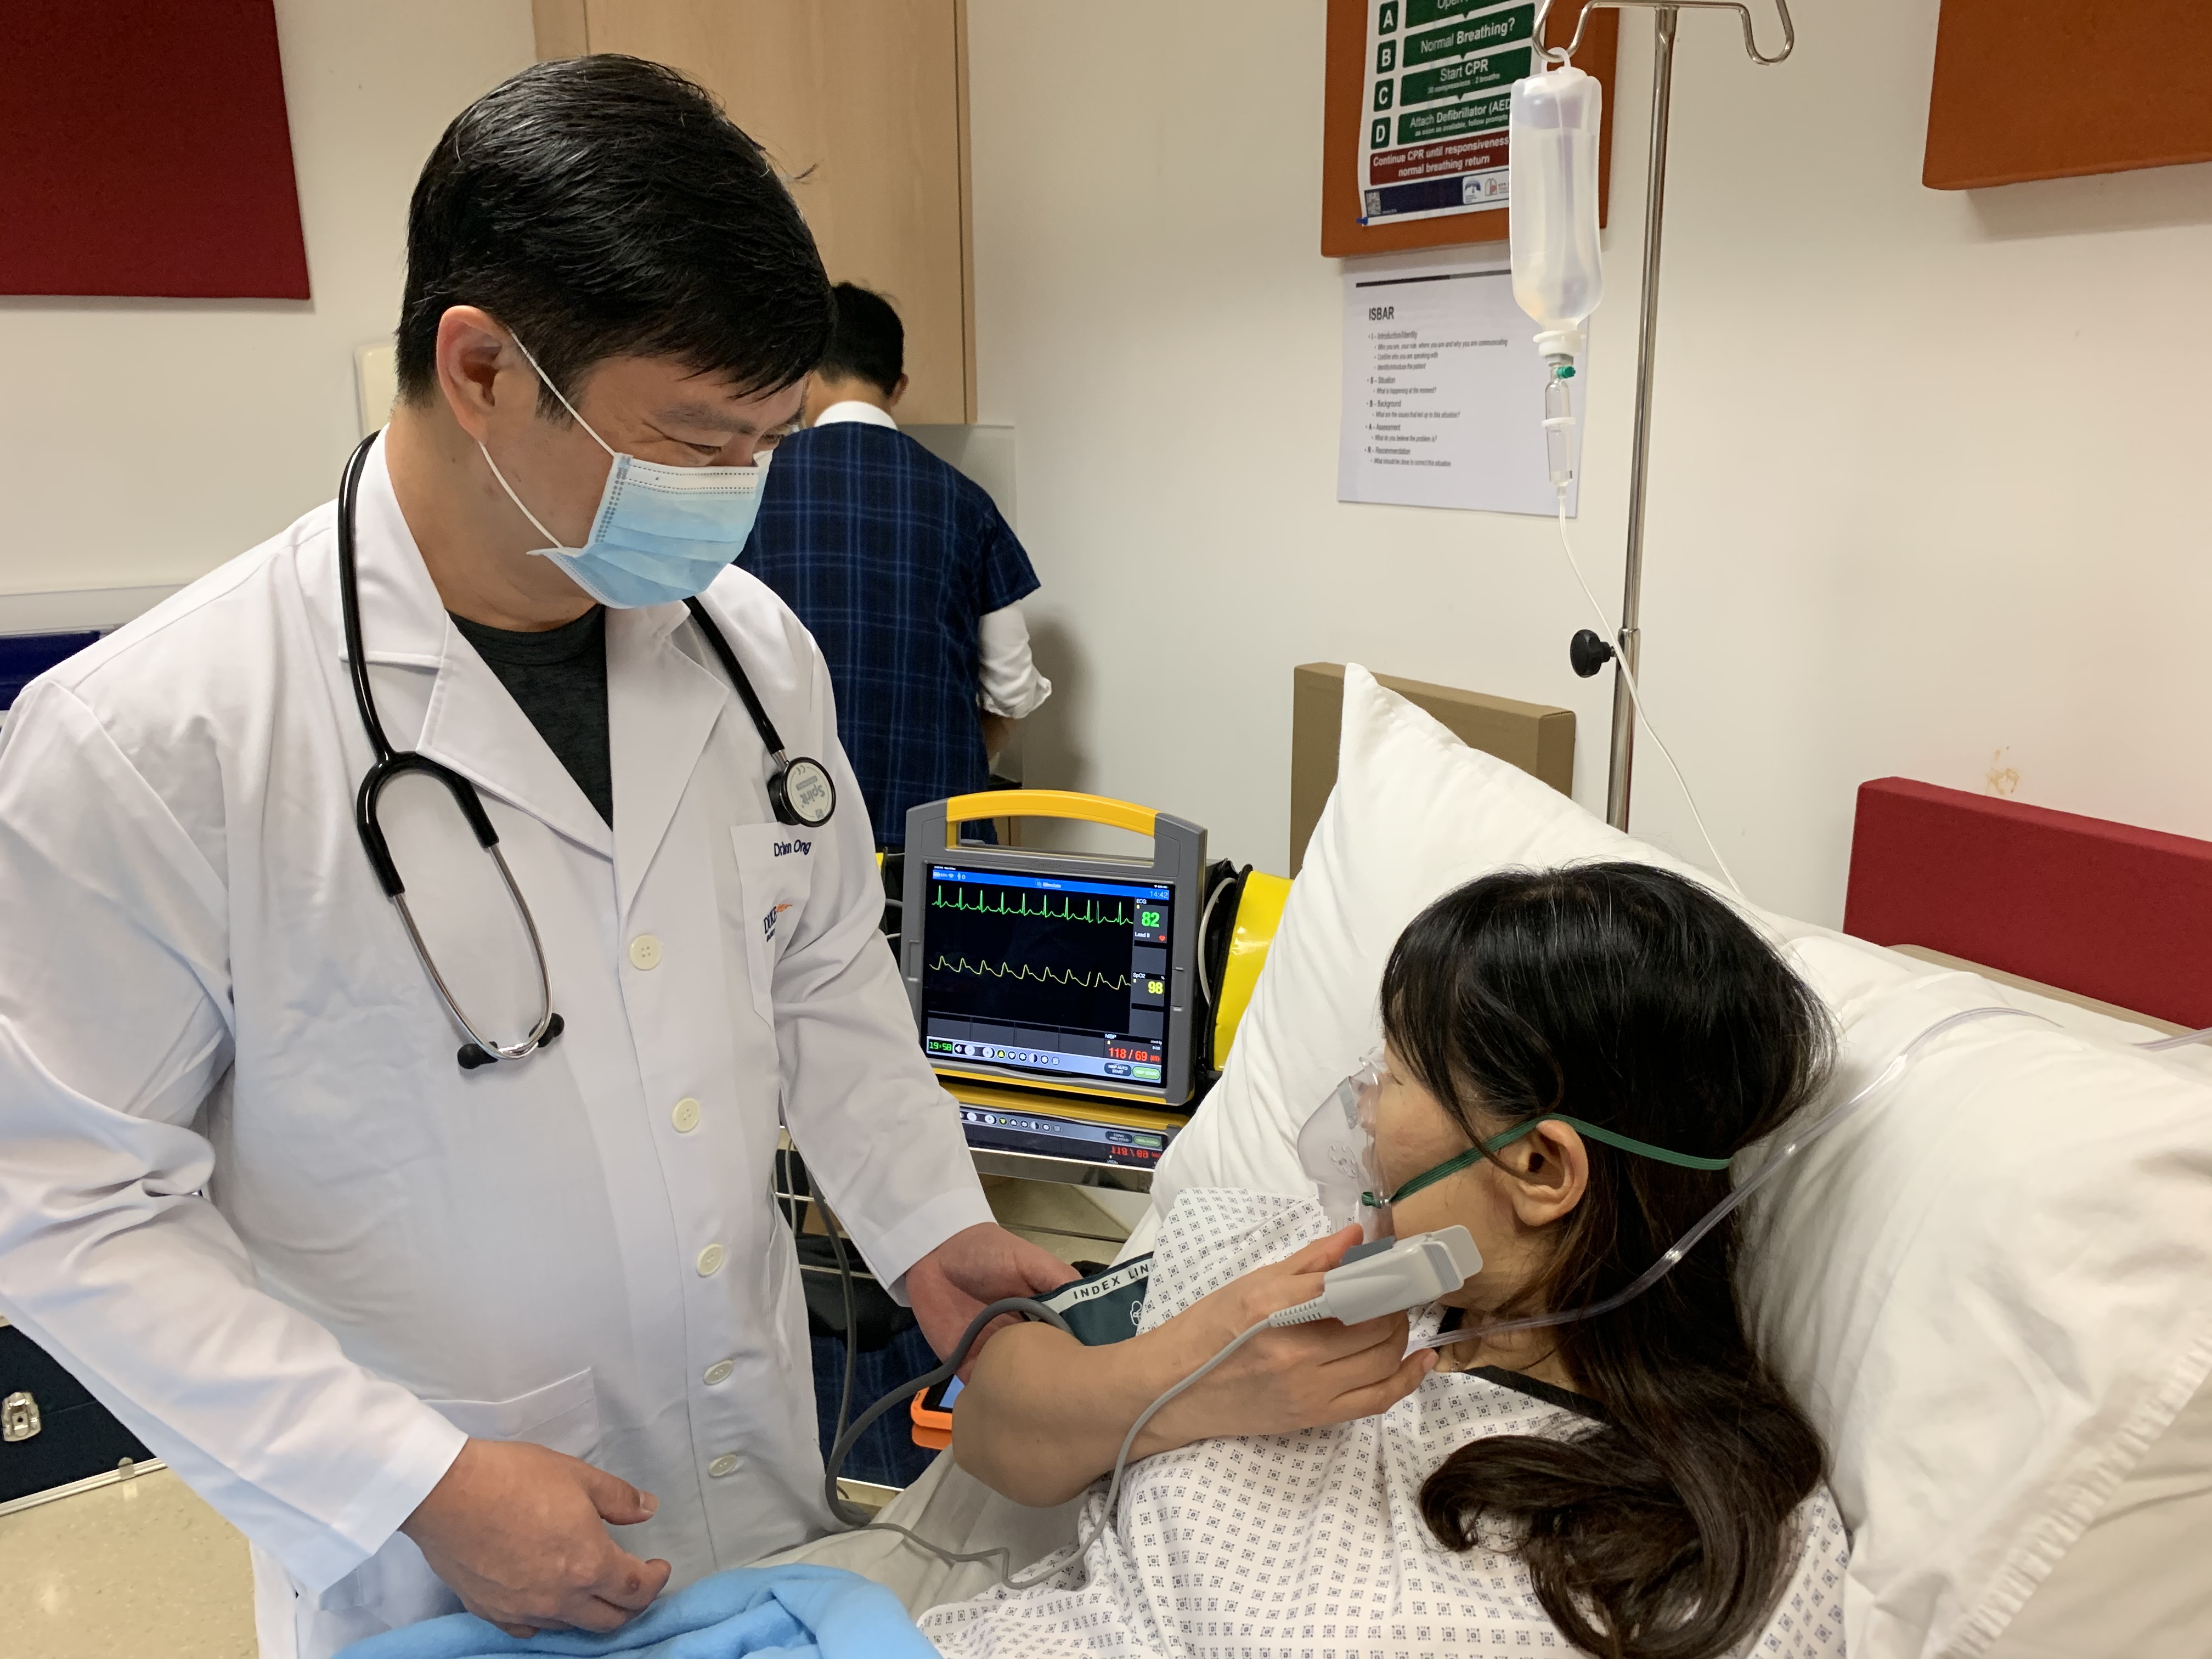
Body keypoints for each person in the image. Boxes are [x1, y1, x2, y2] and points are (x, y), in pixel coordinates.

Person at [0, 57, 1071, 1659]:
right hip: (426, 1548)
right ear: (484, 366)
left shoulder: (752, 654)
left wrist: (926, 1224)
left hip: (752, 1479)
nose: (737, 499)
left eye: (766, 442)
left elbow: (826, 960)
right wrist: (406, 1479)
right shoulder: (159, 738)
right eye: (694, 442)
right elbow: (62, 1203)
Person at [927, 864, 1850, 1659]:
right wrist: (1197, 1369)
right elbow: (990, 1425)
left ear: (1539, 1167)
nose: (1361, 1105)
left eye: (1399, 1070)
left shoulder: (1737, 1540)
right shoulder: (1290, 1265)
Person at [737, 283, 1049, 851]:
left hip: (791, 838)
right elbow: (1012, 690)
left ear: (803, 373)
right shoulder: (967, 503)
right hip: (936, 848)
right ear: (898, 385)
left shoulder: (746, 488)